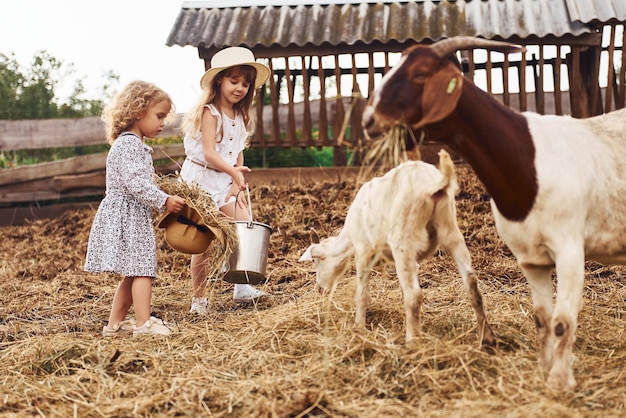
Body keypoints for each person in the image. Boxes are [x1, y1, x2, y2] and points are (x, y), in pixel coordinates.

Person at [85, 80, 186, 336]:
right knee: (142, 270)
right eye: (159, 116)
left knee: (132, 273)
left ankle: (114, 326)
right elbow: (135, 184)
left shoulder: (130, 143)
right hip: (127, 215)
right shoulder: (129, 144)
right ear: (138, 111)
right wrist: (164, 200)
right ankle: (144, 324)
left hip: (129, 214)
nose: (163, 122)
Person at [179, 46, 271, 314]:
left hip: (225, 181)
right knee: (204, 242)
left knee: (244, 227)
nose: (240, 88)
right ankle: (199, 300)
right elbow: (209, 152)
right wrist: (232, 172)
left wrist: (236, 182)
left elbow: (238, 153)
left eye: (245, 83)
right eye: (234, 81)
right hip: (200, 181)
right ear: (219, 80)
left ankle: (241, 286)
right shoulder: (210, 112)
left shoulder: (240, 115)